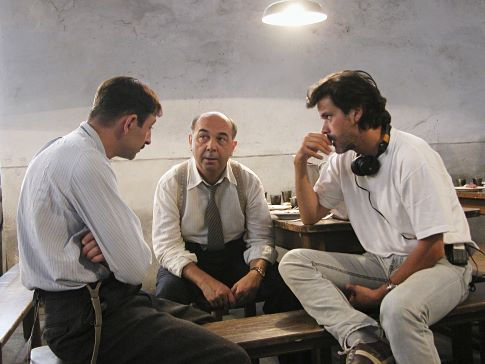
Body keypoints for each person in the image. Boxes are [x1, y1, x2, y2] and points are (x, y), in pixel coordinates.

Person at [17, 77, 250, 364]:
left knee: (217, 328)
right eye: (149, 127)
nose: (149, 139)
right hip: (87, 321)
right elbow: (136, 266)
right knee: (231, 358)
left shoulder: (59, 148)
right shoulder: (85, 162)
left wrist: (113, 246)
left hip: (99, 304)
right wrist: (117, 248)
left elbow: (126, 258)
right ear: (129, 123)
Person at [279, 70, 476, 364]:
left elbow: (432, 247)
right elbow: (310, 216)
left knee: (397, 308)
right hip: (381, 262)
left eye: (328, 116)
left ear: (356, 113)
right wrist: (299, 164)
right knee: (294, 262)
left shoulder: (412, 156)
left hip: (442, 263)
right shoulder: (344, 159)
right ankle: (365, 338)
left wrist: (380, 293)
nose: (323, 129)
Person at [152, 111, 299, 314]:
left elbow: (261, 238)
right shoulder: (172, 182)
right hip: (190, 261)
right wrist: (205, 282)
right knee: (167, 295)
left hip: (235, 257)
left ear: (232, 147)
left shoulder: (247, 180)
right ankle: (190, 345)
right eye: (203, 137)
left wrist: (255, 274)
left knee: (287, 284)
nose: (211, 146)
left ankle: (282, 344)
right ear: (190, 141)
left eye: (221, 139)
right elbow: (167, 247)